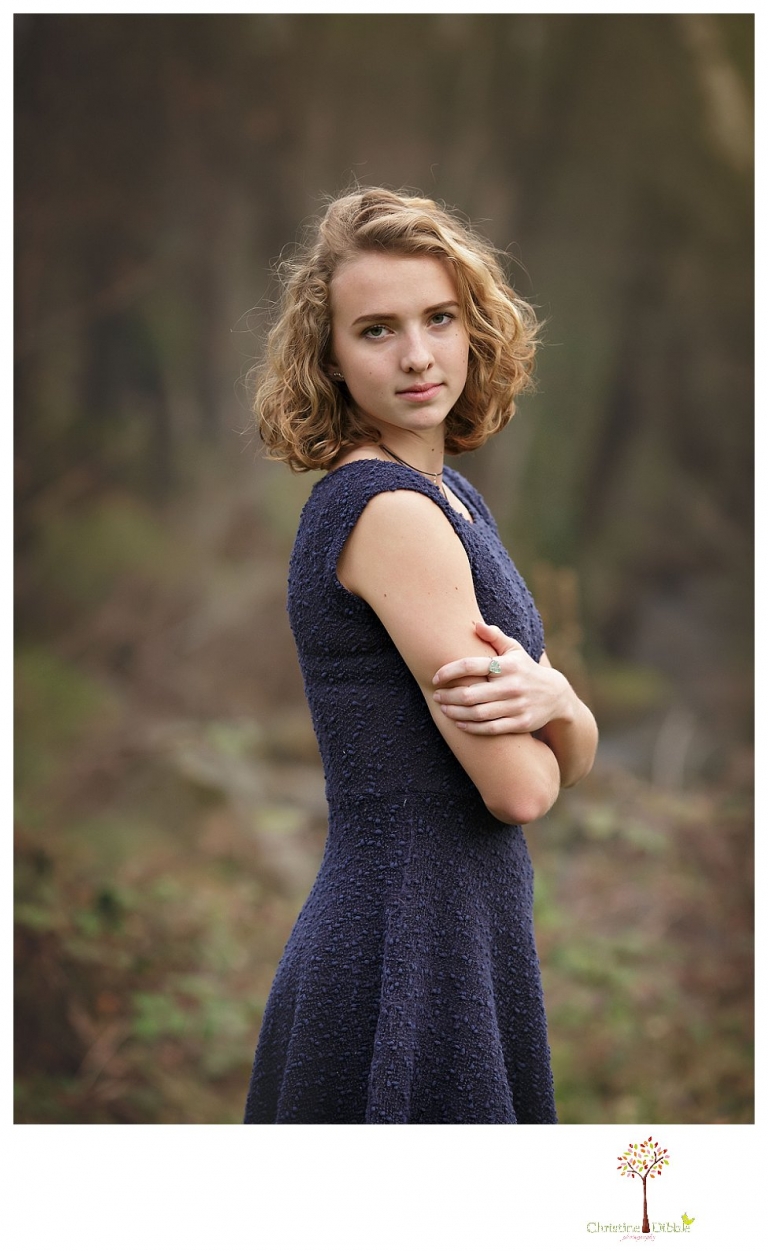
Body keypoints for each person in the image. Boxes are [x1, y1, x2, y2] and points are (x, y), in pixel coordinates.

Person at [244, 187, 598, 1124]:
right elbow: (520, 790)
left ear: (473, 326)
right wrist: (563, 716)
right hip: (407, 944)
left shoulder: (451, 497)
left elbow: (557, 754)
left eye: (438, 318)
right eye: (376, 330)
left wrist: (561, 707)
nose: (416, 355)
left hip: (457, 932)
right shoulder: (393, 513)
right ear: (329, 356)